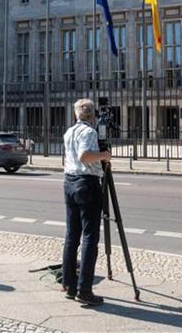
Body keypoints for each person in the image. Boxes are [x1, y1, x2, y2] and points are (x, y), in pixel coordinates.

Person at [61, 98, 112, 306]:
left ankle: (69, 285)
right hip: (87, 184)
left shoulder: (69, 132)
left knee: (72, 236)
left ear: (76, 114)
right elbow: (84, 156)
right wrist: (104, 155)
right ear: (93, 115)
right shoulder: (89, 132)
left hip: (69, 183)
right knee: (90, 237)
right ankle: (85, 290)